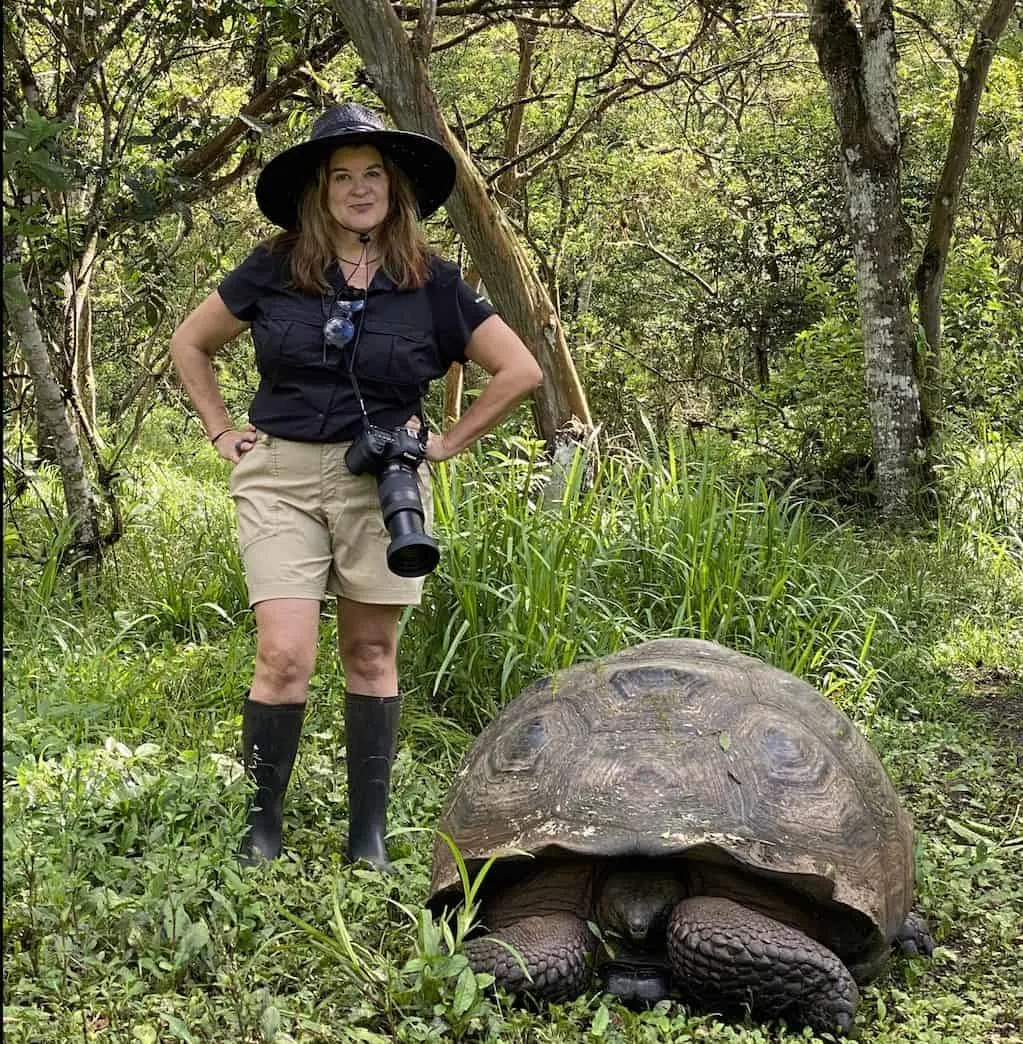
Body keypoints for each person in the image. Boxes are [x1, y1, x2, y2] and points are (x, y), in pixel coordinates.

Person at [170, 101, 543, 869]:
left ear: (395, 187)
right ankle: (261, 827)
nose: (358, 187)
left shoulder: (433, 283)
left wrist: (446, 444)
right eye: (342, 175)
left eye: (373, 172)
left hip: (383, 479)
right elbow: (191, 342)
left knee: (371, 653)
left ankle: (365, 835)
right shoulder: (273, 267)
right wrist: (218, 429)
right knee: (283, 654)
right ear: (319, 190)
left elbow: (520, 371)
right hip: (280, 476)